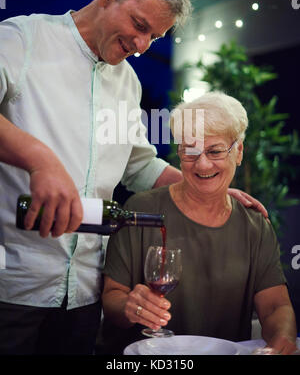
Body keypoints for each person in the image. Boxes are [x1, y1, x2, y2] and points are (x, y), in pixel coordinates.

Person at [0, 0, 265, 355]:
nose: (141, 46)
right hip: (12, 288)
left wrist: (208, 189)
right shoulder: (22, 39)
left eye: (153, 38)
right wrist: (40, 158)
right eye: (139, 26)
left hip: (84, 298)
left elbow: (139, 165)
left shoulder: (128, 83)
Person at [102, 91, 297, 355]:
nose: (202, 164)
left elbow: (275, 306)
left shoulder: (255, 225)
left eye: (215, 151)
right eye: (190, 152)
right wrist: (130, 305)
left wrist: (282, 339)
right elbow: (112, 296)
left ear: (238, 152)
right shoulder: (140, 209)